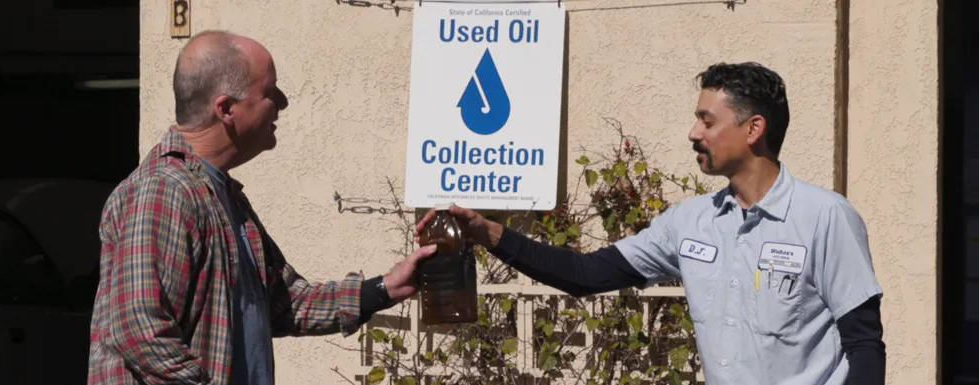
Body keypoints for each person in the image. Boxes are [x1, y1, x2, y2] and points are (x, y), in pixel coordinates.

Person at [416, 62, 885, 384]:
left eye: (706, 120)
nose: (693, 133)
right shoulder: (690, 223)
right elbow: (586, 275)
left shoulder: (825, 216)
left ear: (753, 129)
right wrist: (488, 233)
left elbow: (864, 344)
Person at [87, 30, 436, 385]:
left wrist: (384, 288)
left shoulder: (221, 194)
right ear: (226, 109)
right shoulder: (166, 190)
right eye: (269, 92)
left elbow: (286, 303)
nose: (283, 103)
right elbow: (140, 331)